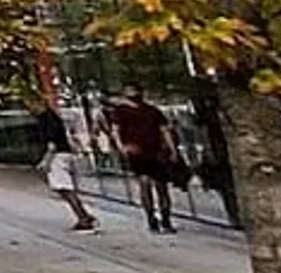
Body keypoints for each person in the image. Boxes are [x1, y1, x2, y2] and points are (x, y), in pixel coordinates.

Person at [108, 90, 180, 232]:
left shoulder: (122, 111)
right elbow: (164, 130)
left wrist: (122, 147)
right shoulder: (151, 111)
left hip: (140, 151)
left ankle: (152, 218)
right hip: (152, 151)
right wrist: (173, 150)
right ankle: (164, 219)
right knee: (160, 187)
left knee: (146, 184)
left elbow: (115, 130)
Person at [31, 100, 97, 230]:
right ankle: (83, 215)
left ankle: (83, 217)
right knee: (63, 188)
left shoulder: (47, 119)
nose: (30, 108)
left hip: (58, 156)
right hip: (63, 153)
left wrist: (46, 161)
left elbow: (52, 145)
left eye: (32, 104)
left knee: (64, 188)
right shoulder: (52, 117)